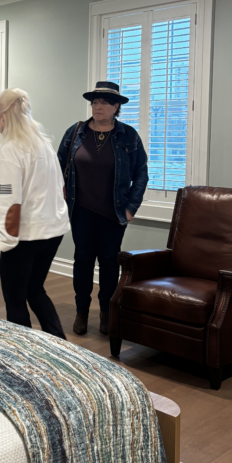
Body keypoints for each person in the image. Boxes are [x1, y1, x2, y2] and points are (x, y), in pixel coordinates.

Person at [58, 81, 148, 337]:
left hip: (114, 212)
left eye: (104, 102)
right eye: (95, 102)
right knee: (83, 261)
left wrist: (131, 207)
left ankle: (107, 314)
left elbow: (141, 174)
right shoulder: (76, 133)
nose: (98, 106)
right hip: (80, 210)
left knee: (109, 263)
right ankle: (81, 312)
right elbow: (57, 168)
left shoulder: (128, 136)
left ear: (116, 107)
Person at [0, 89, 70, 339]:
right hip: (52, 232)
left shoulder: (10, 151)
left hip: (24, 237)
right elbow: (59, 190)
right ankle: (60, 342)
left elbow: (8, 201)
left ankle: (23, 352)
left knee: (15, 298)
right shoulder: (44, 145)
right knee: (35, 289)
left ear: (2, 117)